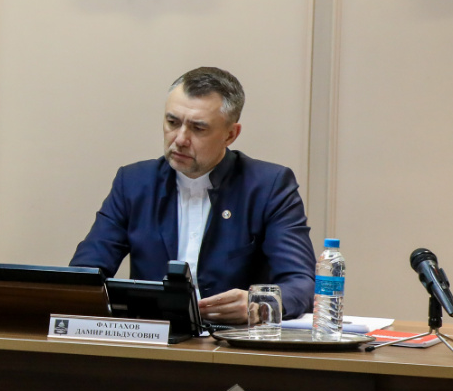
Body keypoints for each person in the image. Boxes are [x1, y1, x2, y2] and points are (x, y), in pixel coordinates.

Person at [70, 67, 315, 323]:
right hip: (155, 336)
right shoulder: (134, 183)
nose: (180, 139)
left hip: (231, 338)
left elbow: (302, 283)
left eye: (198, 128)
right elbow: (85, 274)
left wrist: (260, 304)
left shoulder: (268, 186)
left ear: (230, 134)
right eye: (172, 122)